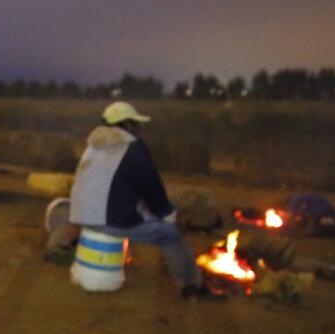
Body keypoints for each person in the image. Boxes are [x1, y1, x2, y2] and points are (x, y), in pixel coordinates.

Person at [68, 101, 224, 301]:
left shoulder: (93, 146)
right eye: (136, 124)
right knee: (170, 234)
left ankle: (127, 256)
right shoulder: (133, 148)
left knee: (137, 212)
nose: (139, 129)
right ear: (128, 125)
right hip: (108, 222)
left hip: (82, 217)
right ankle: (192, 286)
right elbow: (152, 188)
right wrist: (170, 216)